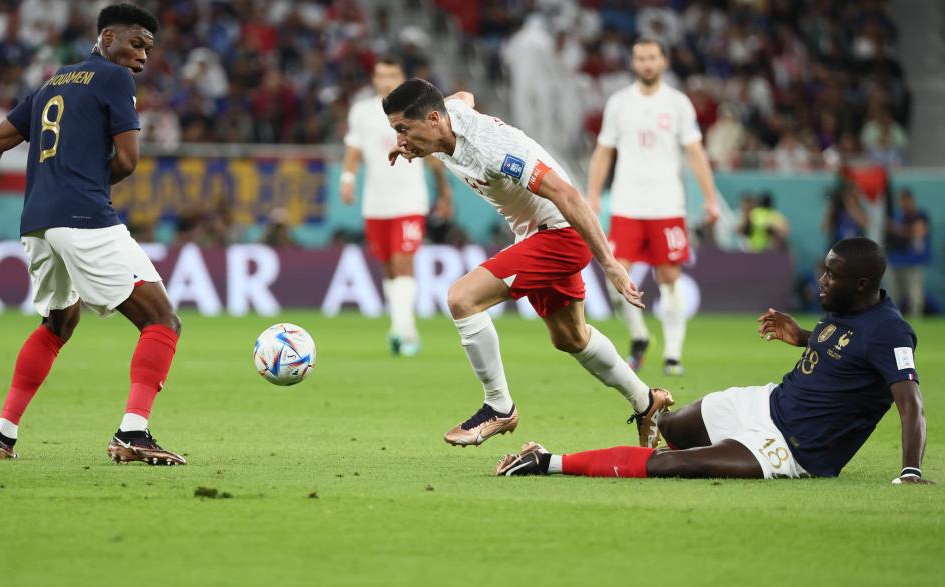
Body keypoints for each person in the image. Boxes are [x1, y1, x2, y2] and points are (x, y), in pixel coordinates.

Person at [0, 4, 185, 466]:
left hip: (37, 223)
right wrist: (86, 180)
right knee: (162, 319)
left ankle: (2, 437)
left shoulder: (54, 82)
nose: (142, 56)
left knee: (58, 324)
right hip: (84, 216)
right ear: (107, 38)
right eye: (136, 43)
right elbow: (128, 161)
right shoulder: (115, 78)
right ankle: (133, 432)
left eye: (148, 48)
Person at [496, 238, 932, 485]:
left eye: (832, 274)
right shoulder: (845, 309)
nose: (822, 280)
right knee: (670, 428)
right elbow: (843, 352)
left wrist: (910, 471)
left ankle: (546, 460)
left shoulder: (890, 332)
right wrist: (802, 336)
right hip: (766, 402)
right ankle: (655, 449)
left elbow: (911, 403)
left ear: (861, 284)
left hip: (790, 448)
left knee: (675, 465)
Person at [382, 78, 673, 448]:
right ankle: (646, 401)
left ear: (434, 120)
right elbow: (464, 97)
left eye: (403, 129)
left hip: (562, 235)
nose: (400, 139)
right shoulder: (447, 117)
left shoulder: (492, 149)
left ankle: (498, 406)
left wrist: (610, 263)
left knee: (462, 299)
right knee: (571, 338)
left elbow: (567, 194)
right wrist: (413, 138)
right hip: (536, 233)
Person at [586, 37, 720, 376]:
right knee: (616, 278)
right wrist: (593, 195)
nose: (647, 64)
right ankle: (640, 336)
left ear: (663, 62)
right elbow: (603, 152)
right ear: (633, 63)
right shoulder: (619, 103)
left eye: (652, 58)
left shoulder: (678, 104)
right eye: (641, 58)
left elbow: (695, 153)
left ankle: (673, 354)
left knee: (669, 278)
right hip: (627, 203)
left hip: (666, 204)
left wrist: (710, 198)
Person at [341, 57, 451, 356]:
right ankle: (402, 327)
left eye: (392, 75)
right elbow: (354, 149)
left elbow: (433, 153)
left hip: (409, 200)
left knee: (403, 263)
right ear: (374, 79)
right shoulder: (362, 111)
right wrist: (347, 178)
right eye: (381, 75)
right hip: (375, 203)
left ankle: (403, 332)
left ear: (401, 77)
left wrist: (444, 193)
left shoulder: (416, 110)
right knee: (389, 268)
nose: (386, 80)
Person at [885, 189, 930, 317]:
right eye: (901, 201)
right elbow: (887, 229)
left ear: (910, 200)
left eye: (905, 200)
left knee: (915, 296)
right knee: (893, 296)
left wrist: (898, 228)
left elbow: (920, 230)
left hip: (913, 261)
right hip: (895, 260)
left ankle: (916, 321)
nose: (903, 204)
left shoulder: (919, 214)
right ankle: (893, 321)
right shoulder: (896, 215)